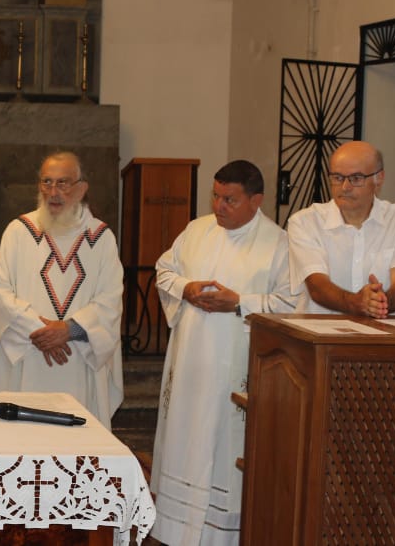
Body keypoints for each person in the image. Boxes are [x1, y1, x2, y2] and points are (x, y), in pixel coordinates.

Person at [150, 160, 293, 546]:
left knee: (224, 450)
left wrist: (240, 302)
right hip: (190, 365)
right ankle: (174, 531)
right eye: (215, 196)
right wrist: (186, 288)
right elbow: (164, 271)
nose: (219, 206)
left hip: (236, 373)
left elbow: (290, 303)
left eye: (230, 199)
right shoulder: (196, 230)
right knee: (184, 442)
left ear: (256, 200)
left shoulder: (278, 243)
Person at [0, 151, 123, 428]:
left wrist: (70, 330)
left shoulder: (100, 238)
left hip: (77, 356)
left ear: (81, 188)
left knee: (75, 440)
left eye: (63, 183)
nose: (53, 192)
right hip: (26, 352)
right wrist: (40, 331)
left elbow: (110, 299)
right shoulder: (19, 231)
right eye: (47, 182)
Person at [288, 140, 395, 318]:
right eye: (337, 178)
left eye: (356, 179)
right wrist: (357, 303)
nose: (345, 187)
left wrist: (381, 303)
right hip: (319, 333)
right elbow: (317, 286)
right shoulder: (305, 222)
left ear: (379, 179)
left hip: (383, 333)